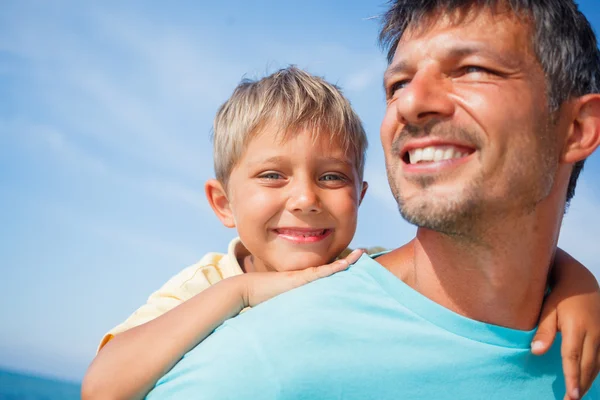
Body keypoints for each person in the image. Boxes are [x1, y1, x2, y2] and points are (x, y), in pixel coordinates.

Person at [141, 1, 600, 399]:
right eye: (397, 84)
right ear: (222, 202)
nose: (411, 102)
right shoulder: (250, 362)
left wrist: (581, 285)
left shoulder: (582, 335)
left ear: (578, 128)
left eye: (472, 69)